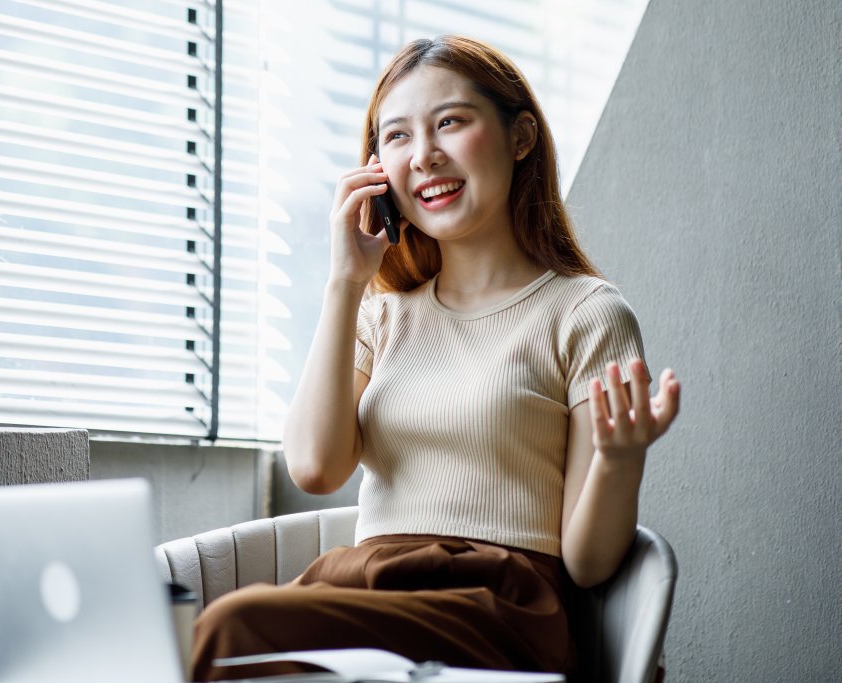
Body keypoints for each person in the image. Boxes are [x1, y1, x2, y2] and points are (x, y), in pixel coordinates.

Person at [190, 35, 681, 681]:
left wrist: (620, 460)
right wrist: (345, 282)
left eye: (450, 121)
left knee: (233, 627)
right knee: (214, 632)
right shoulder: (380, 312)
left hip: (496, 604)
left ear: (522, 136)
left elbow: (587, 565)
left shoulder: (586, 313)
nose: (423, 155)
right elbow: (314, 465)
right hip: (368, 584)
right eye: (396, 137)